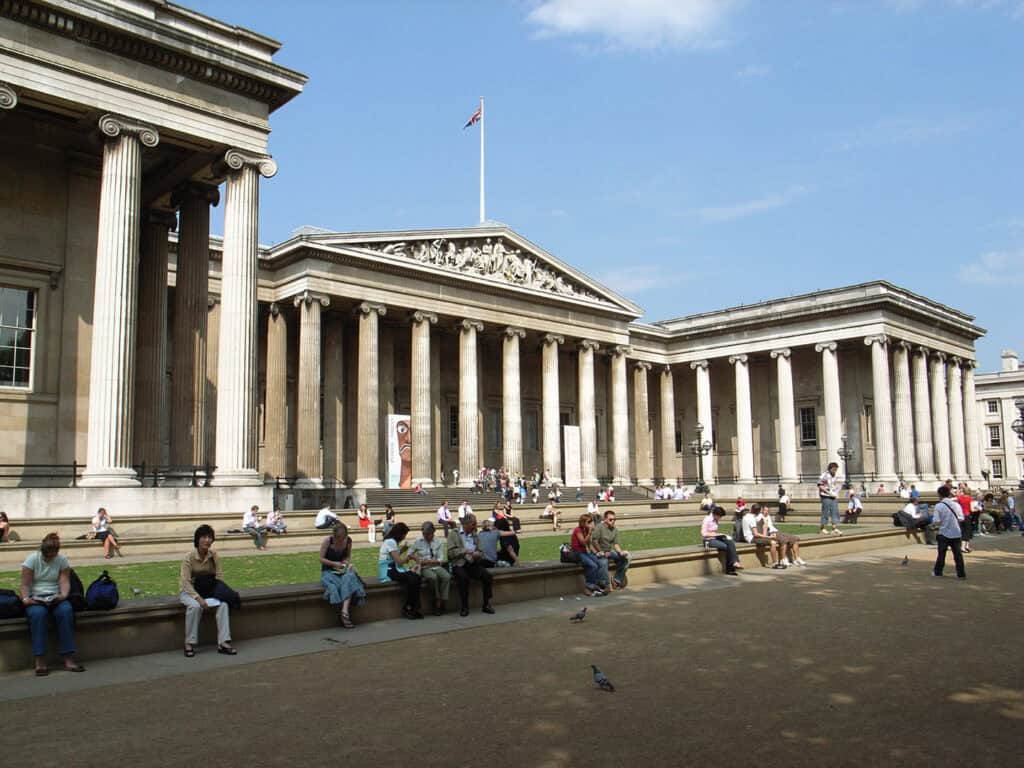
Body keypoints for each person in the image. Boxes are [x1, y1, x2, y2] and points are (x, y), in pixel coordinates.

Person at [20, 533, 84, 675]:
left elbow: (64, 581)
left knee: (66, 611)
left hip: (55, 596)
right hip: (36, 597)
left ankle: (68, 658)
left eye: (52, 555)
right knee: (38, 615)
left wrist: (63, 595)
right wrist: (26, 599)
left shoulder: (61, 560)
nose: (49, 558)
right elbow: (25, 584)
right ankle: (40, 660)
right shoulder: (32, 559)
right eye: (46, 555)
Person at [180, 525, 236, 658]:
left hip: (209, 591)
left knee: (223, 605)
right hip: (190, 592)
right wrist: (198, 599)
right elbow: (185, 582)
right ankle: (189, 643)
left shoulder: (214, 555)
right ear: (197, 540)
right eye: (204, 537)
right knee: (195, 607)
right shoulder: (189, 557)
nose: (207, 540)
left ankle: (223, 643)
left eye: (210, 537)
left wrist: (219, 591)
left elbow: (219, 575)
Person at [445, 513, 495, 616]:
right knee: (463, 578)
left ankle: (486, 604)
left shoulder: (475, 535)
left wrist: (477, 554)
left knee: (487, 576)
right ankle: (464, 607)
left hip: (472, 563)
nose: (475, 526)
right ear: (466, 524)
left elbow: (481, 552)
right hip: (458, 564)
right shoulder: (454, 534)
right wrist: (463, 551)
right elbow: (450, 554)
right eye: (473, 524)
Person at [319, 522, 365, 628]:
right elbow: (321, 559)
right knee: (343, 584)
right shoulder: (327, 541)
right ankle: (345, 614)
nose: (341, 541)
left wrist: (345, 562)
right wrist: (334, 563)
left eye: (343, 538)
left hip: (342, 570)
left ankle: (344, 611)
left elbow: (348, 556)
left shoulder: (348, 541)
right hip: (329, 572)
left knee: (349, 577)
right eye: (339, 539)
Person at [378, 522, 423, 620]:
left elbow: (393, 556)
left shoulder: (390, 541)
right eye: (404, 535)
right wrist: (409, 557)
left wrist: (402, 550)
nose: (404, 537)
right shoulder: (391, 542)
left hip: (392, 567)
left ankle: (413, 607)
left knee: (416, 577)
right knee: (412, 578)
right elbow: (399, 561)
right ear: (400, 534)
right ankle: (409, 607)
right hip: (388, 570)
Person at [411, 521, 450, 616]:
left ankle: (442, 600)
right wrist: (416, 559)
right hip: (424, 567)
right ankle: (437, 601)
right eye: (424, 534)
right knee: (433, 578)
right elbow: (410, 553)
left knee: (446, 577)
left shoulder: (439, 542)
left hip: (436, 565)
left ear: (433, 532)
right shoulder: (418, 541)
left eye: (428, 534)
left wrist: (427, 561)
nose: (426, 536)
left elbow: (440, 559)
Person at [932, 485, 966, 579]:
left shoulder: (939, 506)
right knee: (958, 555)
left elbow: (936, 521)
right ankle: (961, 574)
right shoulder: (956, 505)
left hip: (943, 532)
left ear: (939, 495)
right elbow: (961, 518)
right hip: (956, 533)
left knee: (941, 555)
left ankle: (938, 572)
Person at [571, 513, 609, 596]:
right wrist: (590, 532)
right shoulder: (578, 530)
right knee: (593, 566)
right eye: (589, 522)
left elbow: (589, 544)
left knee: (601, 562)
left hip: (584, 553)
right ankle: (588, 587)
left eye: (591, 521)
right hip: (577, 553)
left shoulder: (586, 530)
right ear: (583, 522)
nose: (590, 523)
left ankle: (601, 584)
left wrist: (596, 553)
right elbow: (583, 542)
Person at [592, 510, 630, 589]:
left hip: (609, 552)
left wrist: (620, 552)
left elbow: (615, 544)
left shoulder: (614, 529)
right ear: (605, 519)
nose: (613, 521)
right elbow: (594, 542)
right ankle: (603, 585)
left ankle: (616, 579)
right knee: (604, 562)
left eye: (614, 519)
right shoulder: (599, 527)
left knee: (627, 557)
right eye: (610, 519)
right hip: (598, 552)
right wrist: (601, 552)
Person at [701, 505, 742, 576]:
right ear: (715, 514)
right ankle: (730, 568)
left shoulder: (716, 519)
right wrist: (716, 535)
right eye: (720, 516)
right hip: (708, 540)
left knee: (730, 542)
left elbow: (714, 532)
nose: (720, 518)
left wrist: (721, 535)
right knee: (725, 546)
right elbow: (704, 533)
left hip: (715, 537)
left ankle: (735, 562)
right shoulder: (707, 519)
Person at [741, 502, 784, 569]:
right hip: (751, 538)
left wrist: (765, 524)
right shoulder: (752, 519)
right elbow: (756, 534)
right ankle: (775, 563)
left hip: (747, 537)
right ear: (757, 511)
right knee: (773, 542)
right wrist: (769, 537)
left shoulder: (746, 516)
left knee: (767, 539)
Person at [818, 462, 842, 535]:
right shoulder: (824, 475)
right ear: (830, 468)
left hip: (833, 496)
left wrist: (836, 492)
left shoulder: (834, 476)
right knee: (825, 512)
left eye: (836, 469)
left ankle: (834, 528)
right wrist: (827, 492)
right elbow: (819, 485)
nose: (835, 471)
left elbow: (833, 485)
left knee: (835, 511)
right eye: (834, 469)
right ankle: (822, 528)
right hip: (826, 496)